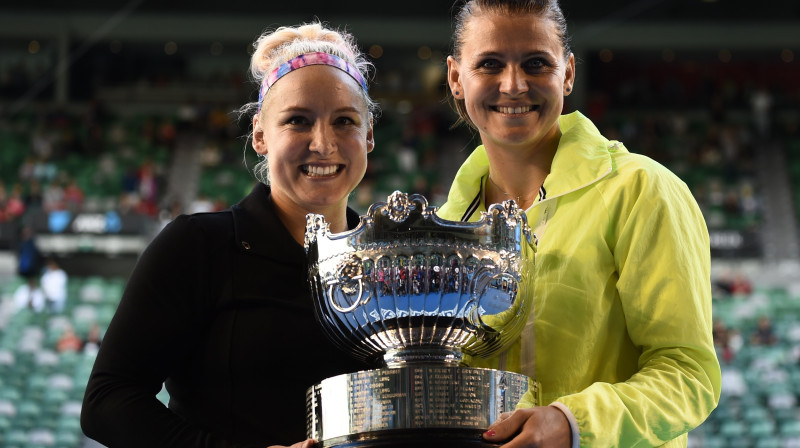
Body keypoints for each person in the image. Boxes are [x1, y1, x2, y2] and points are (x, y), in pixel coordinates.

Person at [80, 21, 377, 448]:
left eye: (345, 121)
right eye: (297, 121)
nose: (323, 144)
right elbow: (108, 401)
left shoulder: (389, 259)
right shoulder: (198, 246)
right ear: (260, 135)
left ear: (368, 135)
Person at [436, 1, 721, 447]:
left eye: (536, 63)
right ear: (456, 78)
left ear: (567, 74)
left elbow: (688, 374)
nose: (513, 85)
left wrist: (572, 423)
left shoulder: (641, 190)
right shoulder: (450, 225)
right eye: (489, 64)